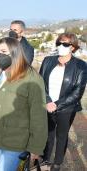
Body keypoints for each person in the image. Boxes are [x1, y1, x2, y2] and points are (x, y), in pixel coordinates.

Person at [0, 37, 48, 171]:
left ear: (15, 53)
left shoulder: (32, 78)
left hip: (16, 140)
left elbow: (38, 115)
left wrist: (36, 147)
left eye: (4, 51)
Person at [39, 33, 87, 171]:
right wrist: (48, 101)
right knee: (48, 133)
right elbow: (40, 83)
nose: (61, 46)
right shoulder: (48, 60)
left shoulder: (81, 66)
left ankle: (57, 163)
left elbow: (77, 93)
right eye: (59, 43)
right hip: (47, 105)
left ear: (73, 47)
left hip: (66, 108)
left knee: (62, 135)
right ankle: (45, 159)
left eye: (65, 44)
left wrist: (57, 104)